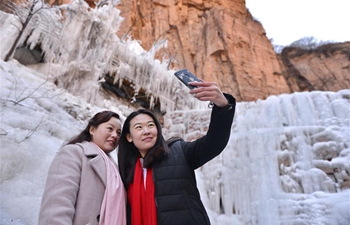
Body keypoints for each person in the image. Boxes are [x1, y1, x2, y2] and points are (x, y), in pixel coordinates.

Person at [118, 80, 236, 225]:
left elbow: (214, 143)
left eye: (151, 125)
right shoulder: (125, 170)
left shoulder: (180, 151)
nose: (147, 131)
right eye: (139, 127)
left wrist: (223, 107)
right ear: (129, 137)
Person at [38, 111, 126, 225]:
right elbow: (56, 206)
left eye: (119, 133)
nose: (115, 135)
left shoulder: (116, 169)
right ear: (92, 130)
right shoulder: (74, 153)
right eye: (110, 129)